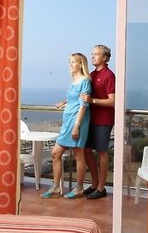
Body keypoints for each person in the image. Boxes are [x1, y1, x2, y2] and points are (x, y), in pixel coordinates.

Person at [41, 53, 92, 199]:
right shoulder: (74, 81)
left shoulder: (85, 81)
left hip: (77, 122)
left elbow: (83, 105)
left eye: (73, 62)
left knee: (78, 154)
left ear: (81, 64)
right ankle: (56, 188)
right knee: (55, 153)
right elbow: (74, 97)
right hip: (67, 122)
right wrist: (64, 102)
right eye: (69, 62)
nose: (70, 64)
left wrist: (76, 126)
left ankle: (79, 188)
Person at [80, 44, 115, 199]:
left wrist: (92, 100)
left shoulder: (109, 75)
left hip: (104, 119)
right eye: (92, 54)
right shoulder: (91, 75)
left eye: (96, 54)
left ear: (105, 57)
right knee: (86, 150)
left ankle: (101, 187)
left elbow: (112, 101)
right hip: (90, 118)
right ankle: (94, 183)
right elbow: (83, 94)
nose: (93, 57)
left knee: (101, 152)